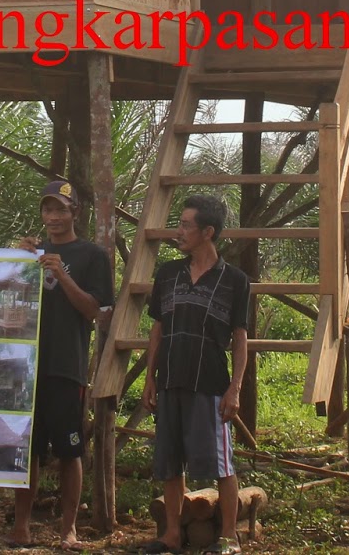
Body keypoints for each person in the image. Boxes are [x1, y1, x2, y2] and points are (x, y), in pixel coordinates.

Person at [8, 178, 115, 550]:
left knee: (70, 450)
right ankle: (21, 525)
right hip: (23, 365)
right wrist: (14, 264)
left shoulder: (93, 256)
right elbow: (3, 300)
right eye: (47, 209)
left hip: (66, 365)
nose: (53, 216)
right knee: (27, 450)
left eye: (60, 209)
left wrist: (62, 274)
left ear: (75, 212)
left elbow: (96, 312)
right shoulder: (30, 253)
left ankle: (68, 528)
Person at [141, 195, 250, 555]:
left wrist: (234, 389)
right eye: (180, 223)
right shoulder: (168, 273)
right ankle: (172, 534)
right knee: (170, 461)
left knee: (221, 463)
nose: (179, 231)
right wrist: (150, 376)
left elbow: (239, 338)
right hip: (171, 379)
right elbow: (158, 328)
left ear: (208, 232)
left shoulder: (234, 280)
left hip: (211, 384)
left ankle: (229, 537)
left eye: (186, 225)